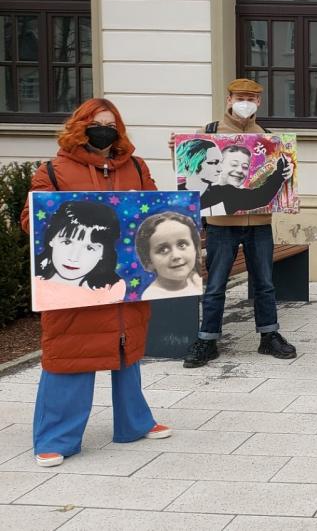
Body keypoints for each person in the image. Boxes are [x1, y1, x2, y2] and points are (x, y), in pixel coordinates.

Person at [20, 99, 172, 467]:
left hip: (120, 281)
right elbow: (30, 222)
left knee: (127, 351)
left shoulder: (136, 167)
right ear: (80, 127)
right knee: (70, 354)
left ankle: (135, 423)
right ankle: (56, 437)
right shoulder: (53, 171)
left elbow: (155, 210)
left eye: (110, 124)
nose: (103, 130)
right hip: (70, 287)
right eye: (95, 123)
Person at [181, 78, 297, 367]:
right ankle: (207, 339)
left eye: (251, 98)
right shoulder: (209, 133)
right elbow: (189, 170)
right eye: (240, 97)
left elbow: (267, 190)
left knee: (265, 283)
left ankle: (269, 336)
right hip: (220, 224)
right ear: (229, 99)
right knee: (216, 283)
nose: (245, 103)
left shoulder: (268, 138)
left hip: (259, 222)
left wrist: (286, 172)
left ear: (258, 103)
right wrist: (178, 148)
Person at [32, 201, 126, 310]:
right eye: (67, 242)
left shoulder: (112, 288)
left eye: (90, 248)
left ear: (103, 253)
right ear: (52, 239)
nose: (73, 257)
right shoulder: (35, 279)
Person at [198, 143, 292, 217]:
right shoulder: (197, 188)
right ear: (219, 165)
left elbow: (261, 197)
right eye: (234, 164)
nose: (239, 170)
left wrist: (281, 173)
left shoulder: (232, 195)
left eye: (245, 167)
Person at [136, 211, 203, 300]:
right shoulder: (153, 296)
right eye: (163, 250)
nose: (176, 256)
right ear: (149, 261)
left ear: (195, 248)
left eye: (182, 245)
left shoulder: (195, 280)